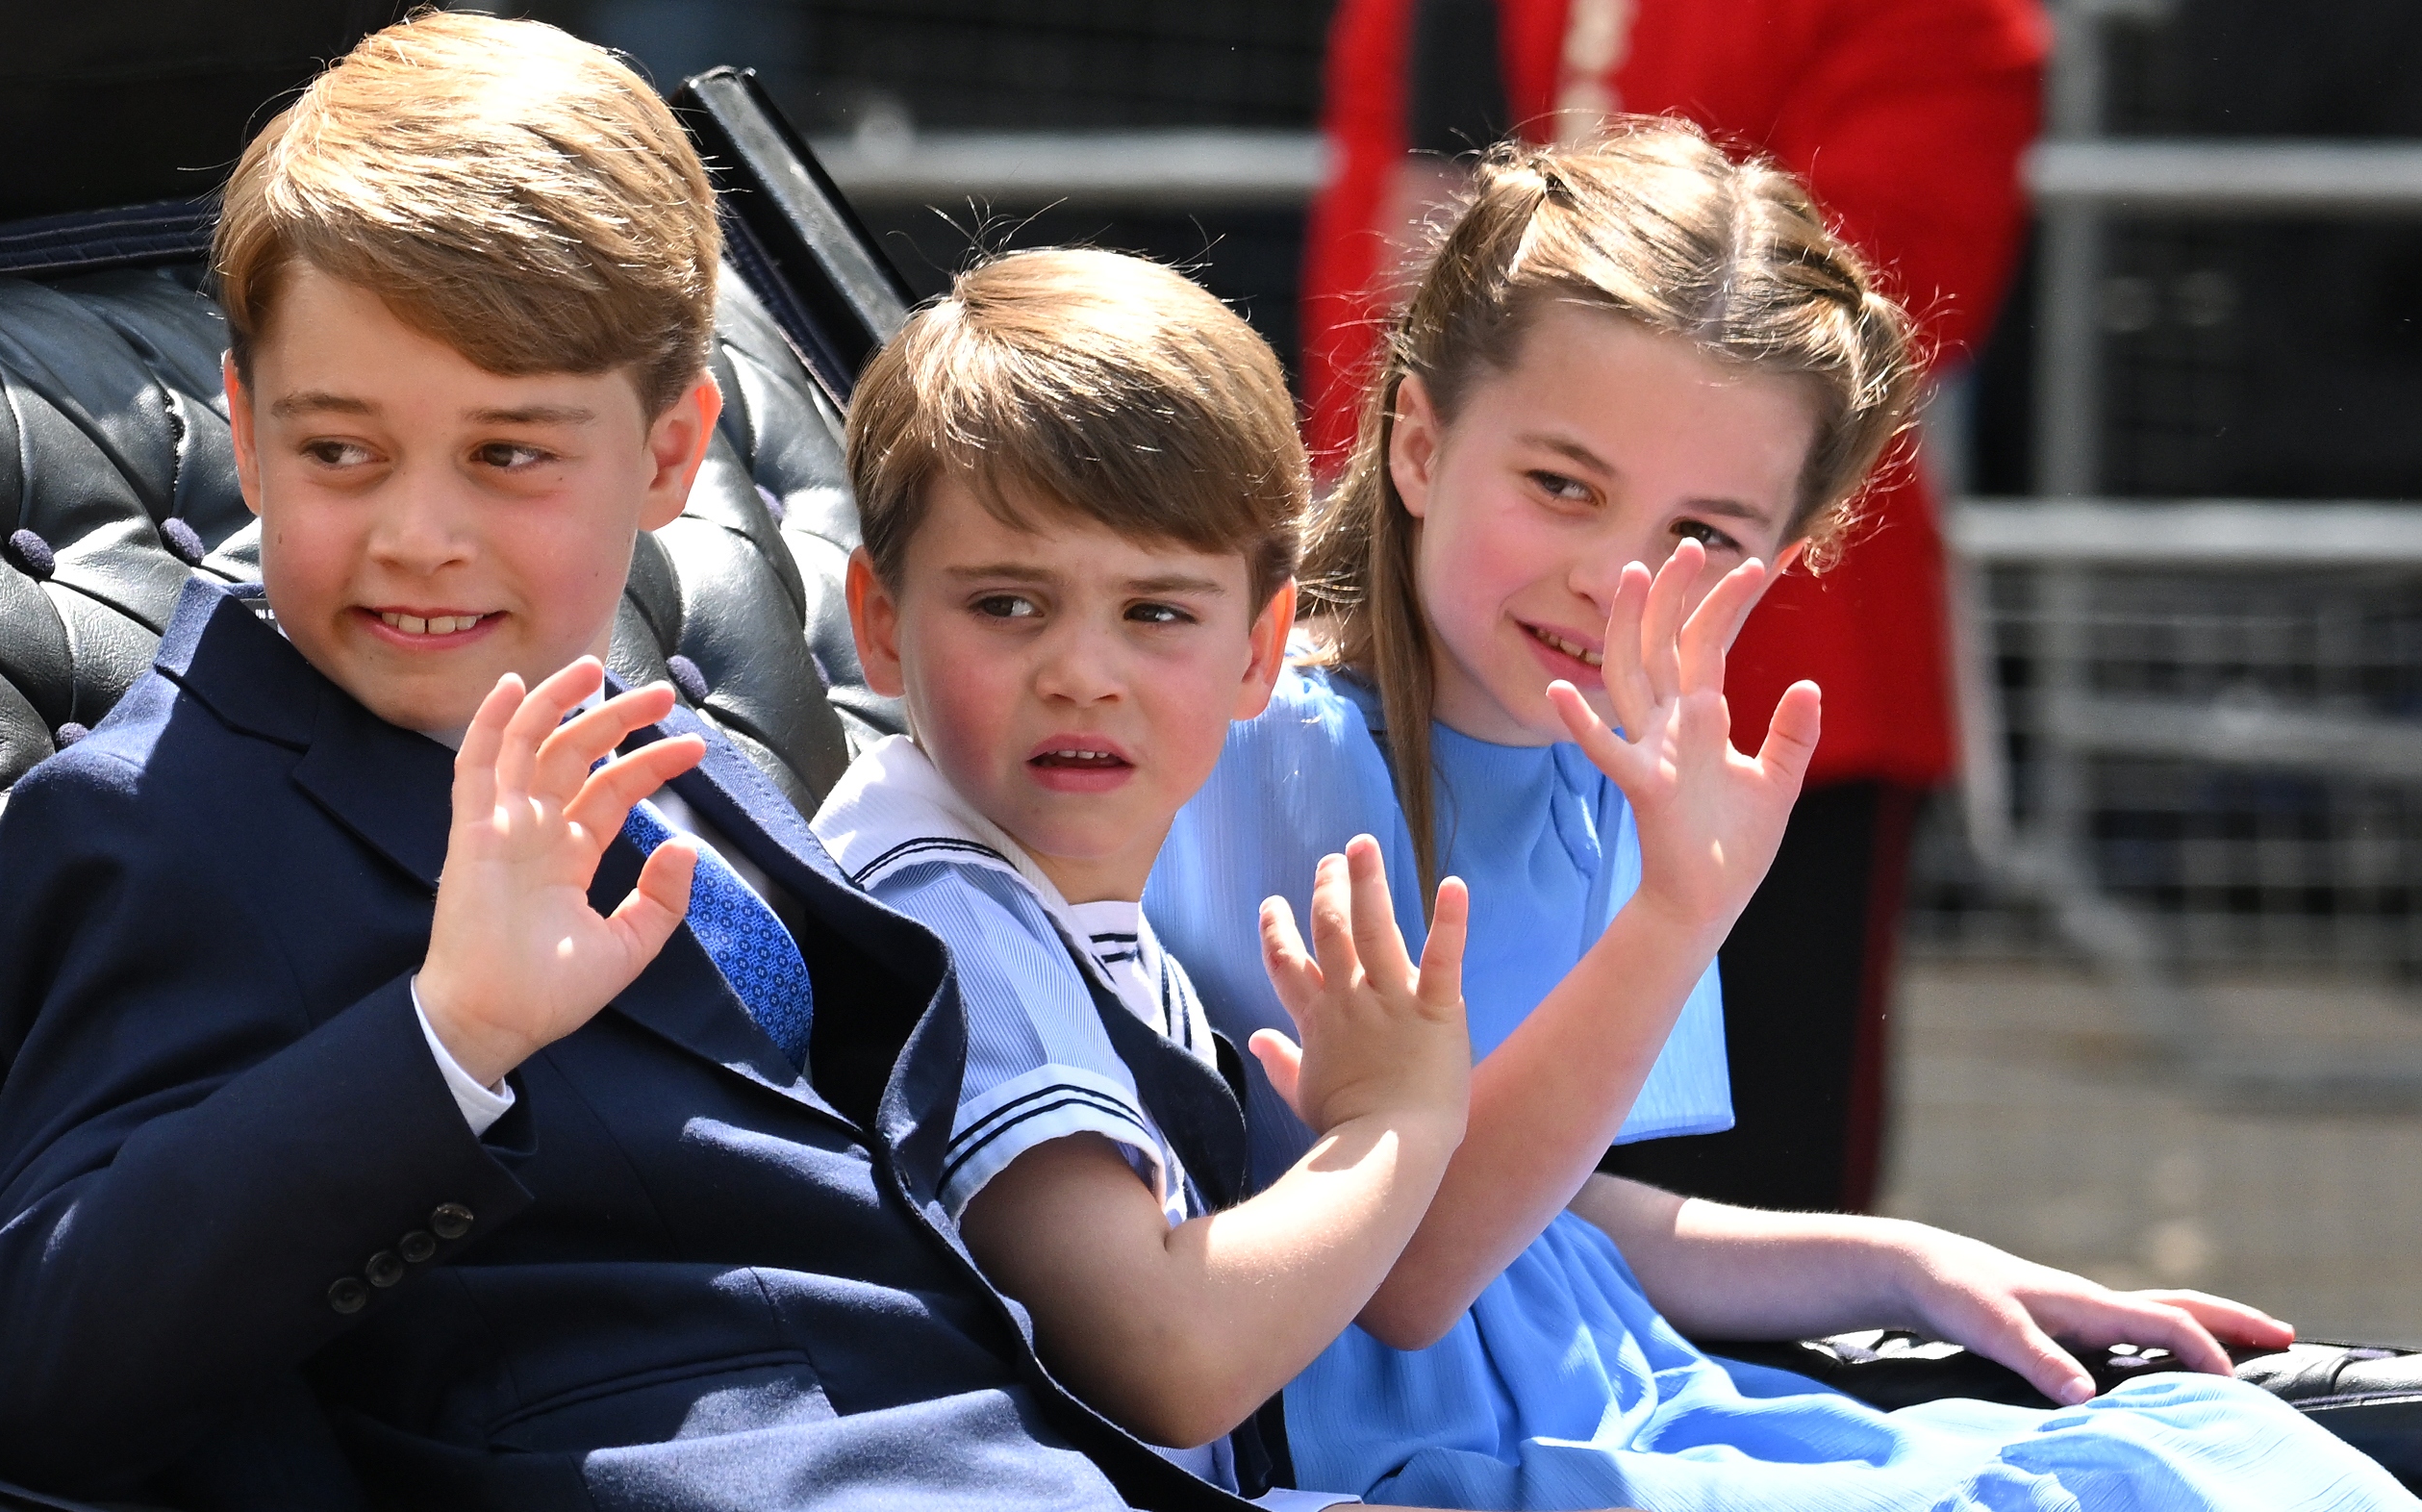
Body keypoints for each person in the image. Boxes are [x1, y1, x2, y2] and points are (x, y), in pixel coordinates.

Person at [0, 17, 1264, 1511]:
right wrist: (450, 1032)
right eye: (341, 453)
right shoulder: (171, 817)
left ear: (667, 456)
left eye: (509, 455)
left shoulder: (635, 731)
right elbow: (35, 1357)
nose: (417, 533)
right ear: (246, 435)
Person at [1144, 121, 2414, 1510]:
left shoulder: (1623, 772)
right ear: (1418, 444)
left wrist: (1906, 1263)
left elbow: (1551, 1222)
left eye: (1701, 539)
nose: (1614, 582)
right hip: (1408, 1453)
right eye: (1562, 487)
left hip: (1626, 1393)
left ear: (1786, 560)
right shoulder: (1263, 752)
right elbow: (1413, 1270)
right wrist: (1678, 918)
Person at [1300, 0, 2049, 1212]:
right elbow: (1387, 269)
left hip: (1766, 680)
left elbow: (1878, 291)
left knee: (1754, 1169)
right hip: (1456, 640)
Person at [811, 249, 1482, 1509]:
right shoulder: (950, 921)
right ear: (883, 621)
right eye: (1009, 604)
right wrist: (1401, 1124)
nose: (1082, 672)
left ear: (1259, 650)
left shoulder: (1049, 893)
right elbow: (1171, 1359)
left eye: (1157, 613)